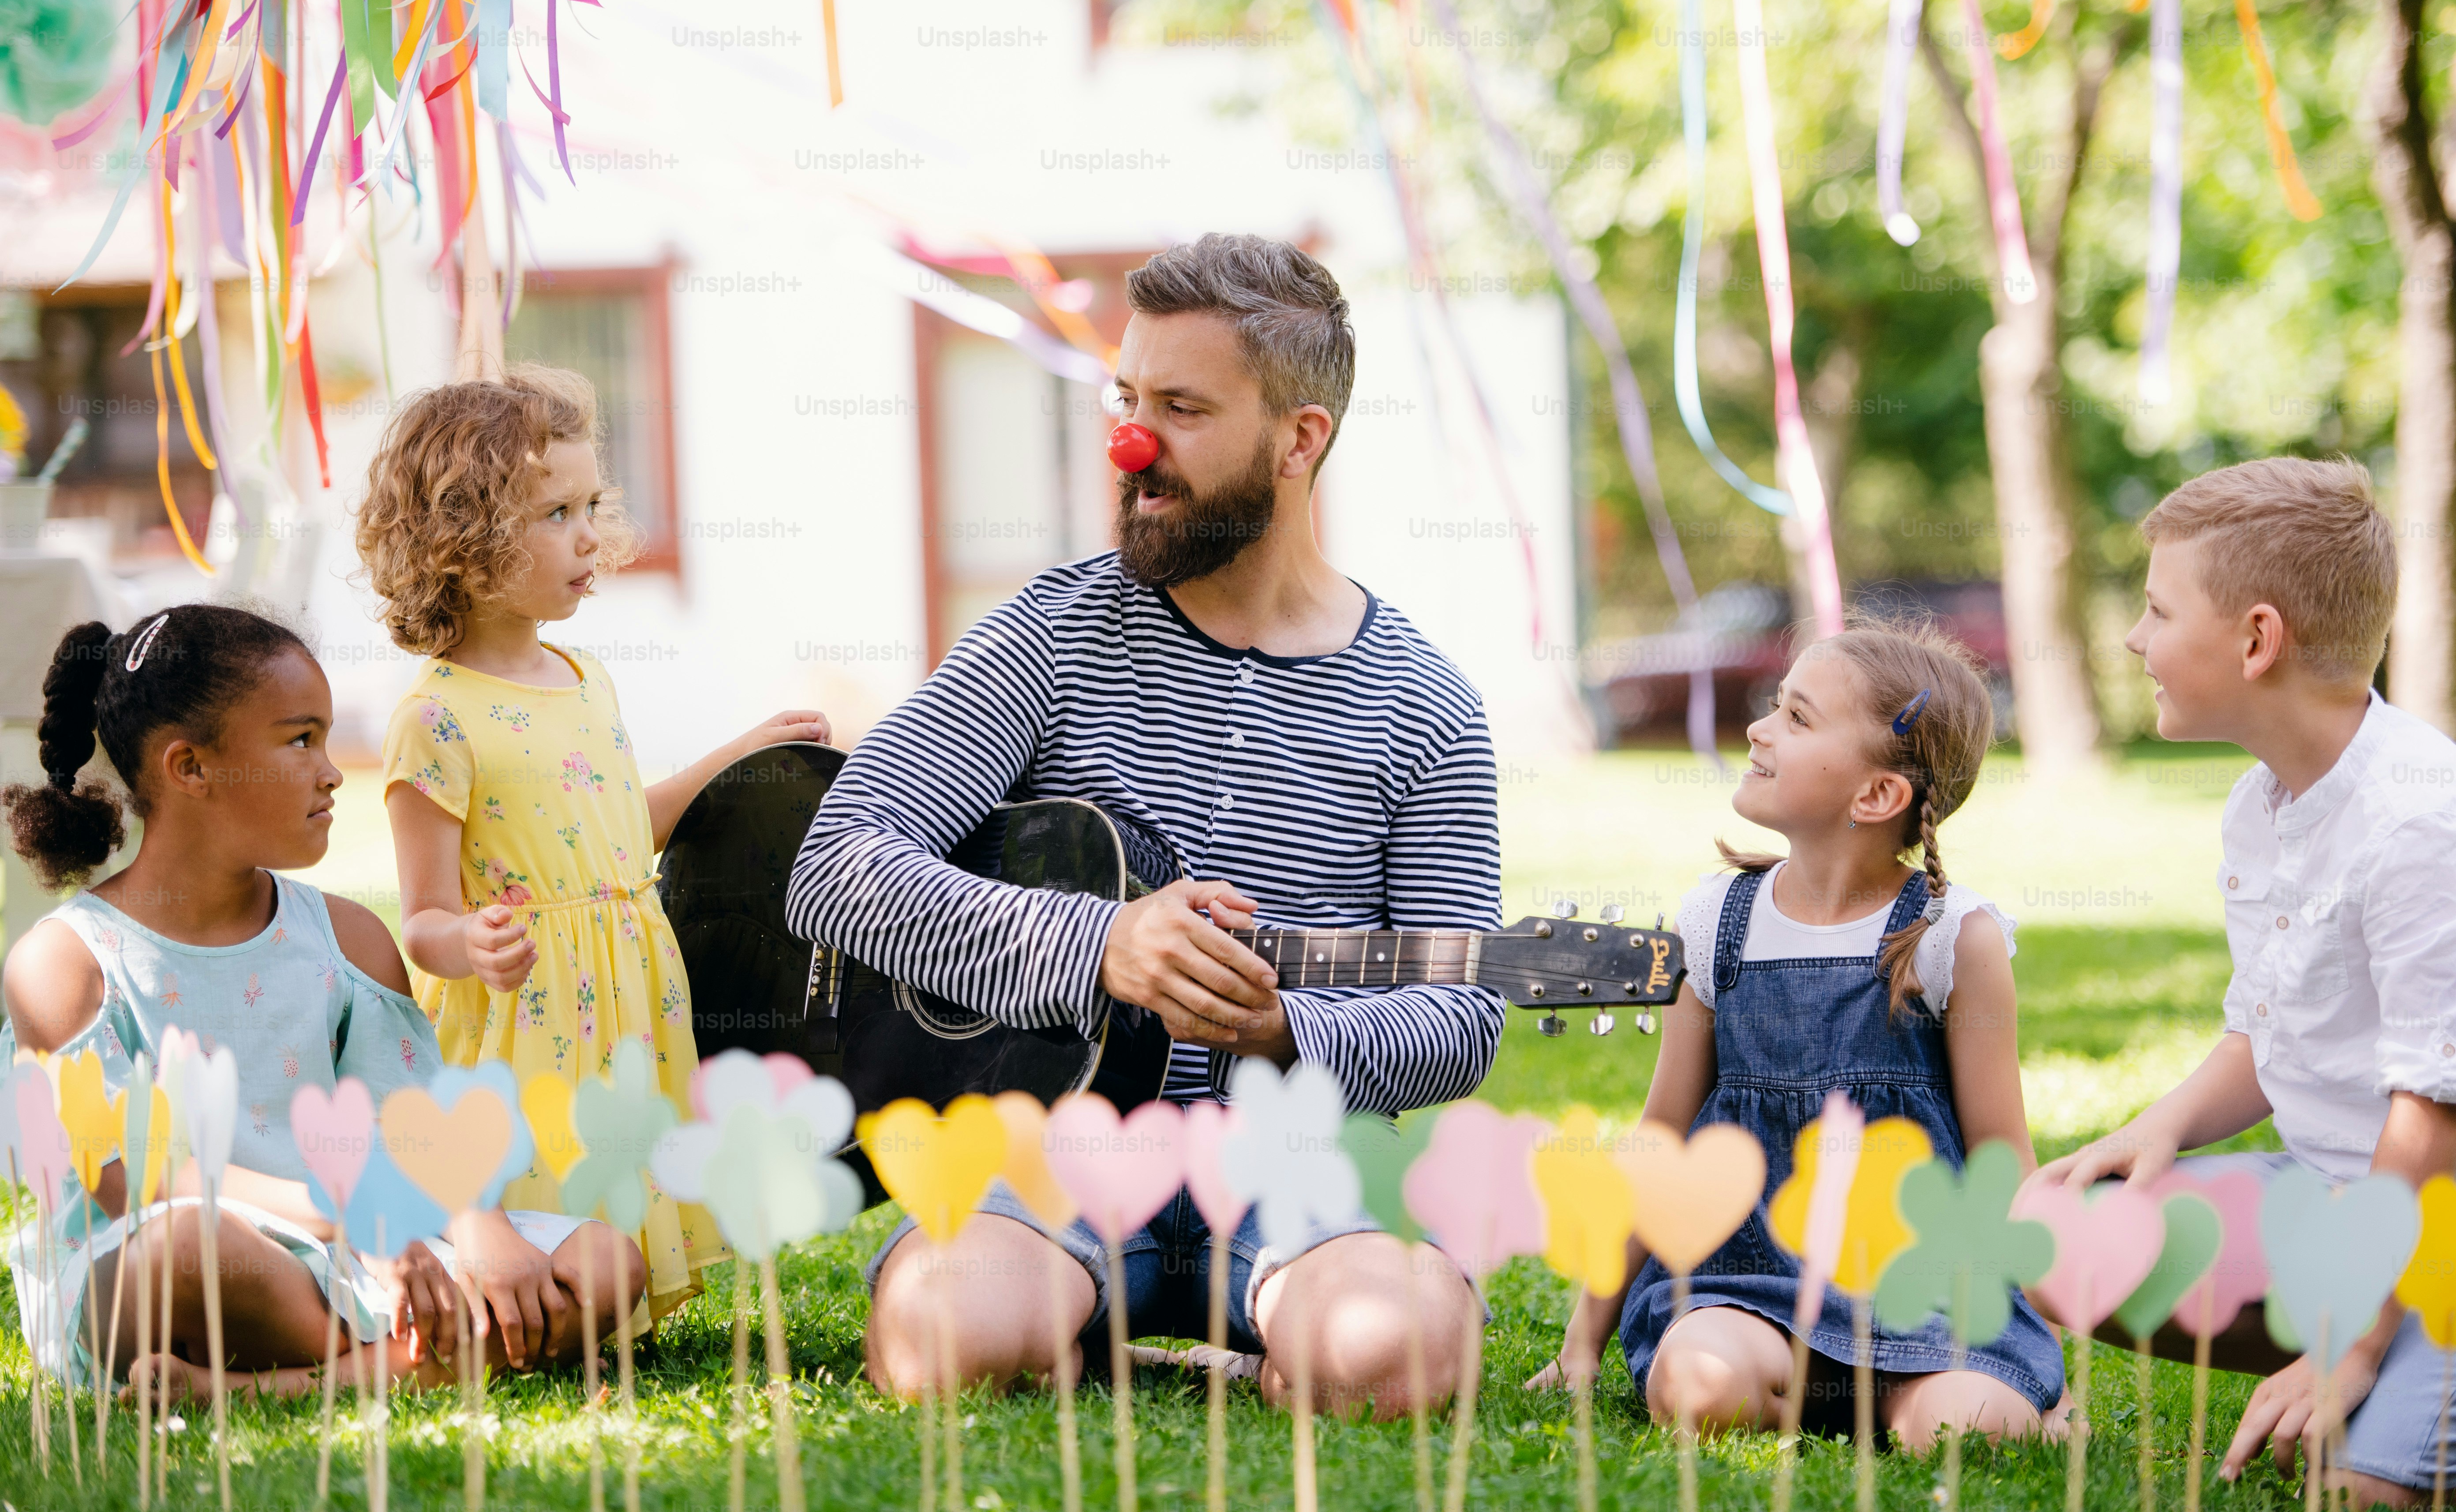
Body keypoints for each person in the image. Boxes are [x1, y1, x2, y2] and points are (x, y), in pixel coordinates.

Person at [790, 233, 1497, 1417]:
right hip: (1048, 1146)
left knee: (1406, 1356)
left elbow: (1462, 1015)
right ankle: (1126, 1333)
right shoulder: (1048, 634)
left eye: (1180, 408)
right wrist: (1097, 946)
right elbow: (840, 863)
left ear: (1299, 438)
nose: (1130, 443)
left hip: (1292, 1161)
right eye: (1126, 398)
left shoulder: (1427, 705)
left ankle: (1223, 1341)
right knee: (943, 1341)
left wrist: (1287, 1029)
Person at [0, 604, 639, 1402]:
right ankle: (443, 1353)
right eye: (301, 740)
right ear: (191, 768)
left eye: (327, 740)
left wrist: (478, 1226)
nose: (333, 772)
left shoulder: (349, 938)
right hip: (179, 1261)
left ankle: (266, 1387)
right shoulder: (64, 963)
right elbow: (135, 1182)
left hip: (367, 1250)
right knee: (183, 1250)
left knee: (610, 1261)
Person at [357, 366, 830, 1334]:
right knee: (550, 1161)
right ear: (466, 536)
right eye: (554, 513)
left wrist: (739, 755)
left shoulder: (585, 676)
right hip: (527, 1007)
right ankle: (532, 1298)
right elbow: (424, 917)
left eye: (590, 505)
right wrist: (471, 942)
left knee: (619, 1145)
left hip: (626, 984)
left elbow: (622, 829)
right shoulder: (436, 718)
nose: (589, 536)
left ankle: (611, 1300)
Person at [1535, 619, 2065, 1448]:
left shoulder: (1953, 936)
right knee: (1697, 1384)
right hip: (1745, 1285)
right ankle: (1820, 1396)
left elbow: (2005, 1158)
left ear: (1877, 797)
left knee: (1971, 1431)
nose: (1759, 728)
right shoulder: (1716, 921)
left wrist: (2048, 1362)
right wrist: (1583, 1340)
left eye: (1798, 718)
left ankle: (1900, 1399)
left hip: (1926, 1292)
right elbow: (1663, 1139)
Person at [2040, 458, 2456, 1508]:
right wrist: (2161, 1125)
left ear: (2256, 639)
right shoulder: (2261, 803)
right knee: (2046, 1230)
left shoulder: (2418, 824)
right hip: (2340, 1197)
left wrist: (2351, 1346)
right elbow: (2269, 1024)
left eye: (2156, 609)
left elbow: (2433, 1110)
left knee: (2362, 1493)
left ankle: (2390, 1360)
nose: (2136, 638)